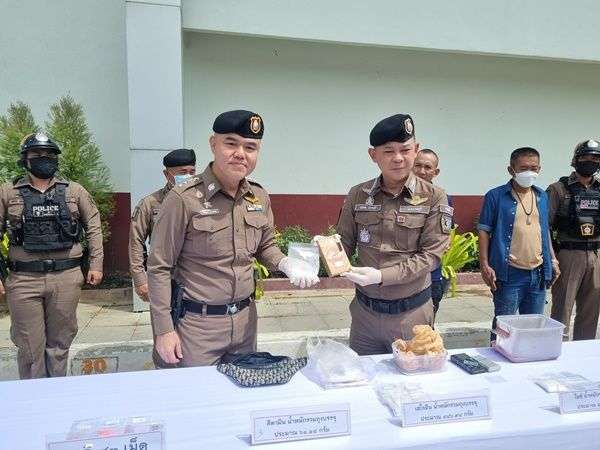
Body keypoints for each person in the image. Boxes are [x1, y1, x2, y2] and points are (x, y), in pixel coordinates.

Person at [147, 110, 318, 367]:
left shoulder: (258, 197)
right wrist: (164, 330)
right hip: (197, 328)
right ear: (213, 144)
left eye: (250, 147)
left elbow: (266, 246)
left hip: (245, 325)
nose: (240, 153)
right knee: (199, 391)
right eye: (231, 143)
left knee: (243, 389)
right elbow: (159, 266)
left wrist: (286, 263)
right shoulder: (184, 199)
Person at [333, 114, 452, 355]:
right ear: (373, 155)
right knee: (362, 376)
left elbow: (430, 256)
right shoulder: (358, 194)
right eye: (388, 151)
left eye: (405, 150)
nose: (398, 158)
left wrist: (380, 276)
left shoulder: (434, 197)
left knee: (412, 377)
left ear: (416, 150)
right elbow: (343, 242)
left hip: (411, 317)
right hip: (365, 316)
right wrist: (322, 253)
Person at [0, 132, 103, 378]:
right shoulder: (7, 192)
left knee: (59, 345)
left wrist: (96, 264)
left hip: (66, 277)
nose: (43, 158)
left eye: (49, 154)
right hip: (24, 280)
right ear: (25, 159)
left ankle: (57, 393)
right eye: (36, 154)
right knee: (30, 347)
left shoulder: (74, 191)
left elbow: (94, 226)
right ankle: (34, 397)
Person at [477, 147, 558, 343]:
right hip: (509, 274)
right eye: (523, 168)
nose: (529, 172)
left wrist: (553, 259)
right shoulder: (495, 196)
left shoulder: (542, 196)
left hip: (537, 273)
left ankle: (527, 358)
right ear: (511, 170)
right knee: (504, 327)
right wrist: (484, 264)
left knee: (533, 327)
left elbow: (544, 230)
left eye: (534, 168)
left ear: (539, 169)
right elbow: (484, 230)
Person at [547, 139, 600, 340]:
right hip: (568, 254)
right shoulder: (558, 189)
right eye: (586, 156)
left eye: (596, 158)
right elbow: (544, 227)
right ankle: (557, 350)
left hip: (596, 254)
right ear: (576, 159)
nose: (591, 161)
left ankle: (583, 352)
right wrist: (552, 258)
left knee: (591, 311)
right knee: (562, 308)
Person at [129, 148, 196, 302]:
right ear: (167, 174)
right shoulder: (151, 203)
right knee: (165, 316)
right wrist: (140, 279)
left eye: (192, 172)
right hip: (164, 277)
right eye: (182, 172)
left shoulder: (205, 201)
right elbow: (136, 241)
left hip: (198, 278)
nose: (188, 176)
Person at [413, 148, 452, 317]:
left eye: (427, 167)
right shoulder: (395, 196)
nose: (422, 171)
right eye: (418, 165)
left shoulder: (443, 198)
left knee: (426, 327)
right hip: (401, 277)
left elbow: (445, 234)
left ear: (436, 172)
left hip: (431, 276)